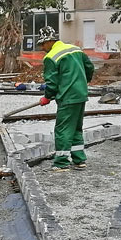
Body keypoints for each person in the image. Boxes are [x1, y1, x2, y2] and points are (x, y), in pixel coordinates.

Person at [37, 27, 94, 171]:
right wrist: (82, 82)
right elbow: (90, 67)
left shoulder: (51, 57)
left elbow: (52, 82)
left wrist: (47, 97)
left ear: (49, 41)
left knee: (62, 129)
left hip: (68, 97)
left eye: (42, 44)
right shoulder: (75, 49)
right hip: (81, 95)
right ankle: (79, 159)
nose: (42, 48)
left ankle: (61, 162)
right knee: (75, 128)